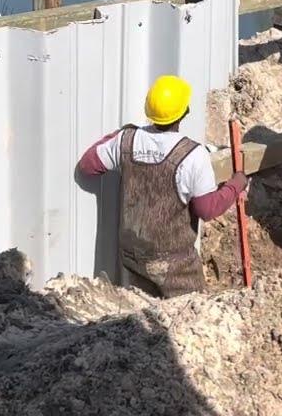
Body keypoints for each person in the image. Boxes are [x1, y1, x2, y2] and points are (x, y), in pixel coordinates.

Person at [77, 75, 249, 297]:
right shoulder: (193, 155)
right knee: (186, 312)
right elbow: (207, 209)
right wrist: (236, 184)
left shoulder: (126, 140)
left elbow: (88, 166)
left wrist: (120, 134)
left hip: (133, 256)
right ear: (185, 111)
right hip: (176, 267)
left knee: (140, 307)